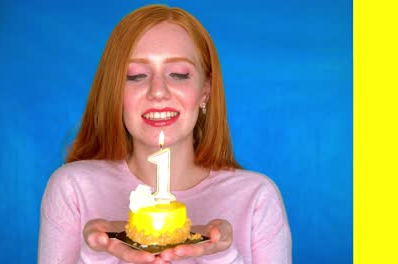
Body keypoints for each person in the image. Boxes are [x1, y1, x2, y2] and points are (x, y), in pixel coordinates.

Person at [38, 4, 291, 264]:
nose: (158, 91)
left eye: (179, 74)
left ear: (205, 90)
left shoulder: (258, 198)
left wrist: (222, 255)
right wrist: (97, 252)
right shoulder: (72, 189)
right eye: (135, 76)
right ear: (115, 93)